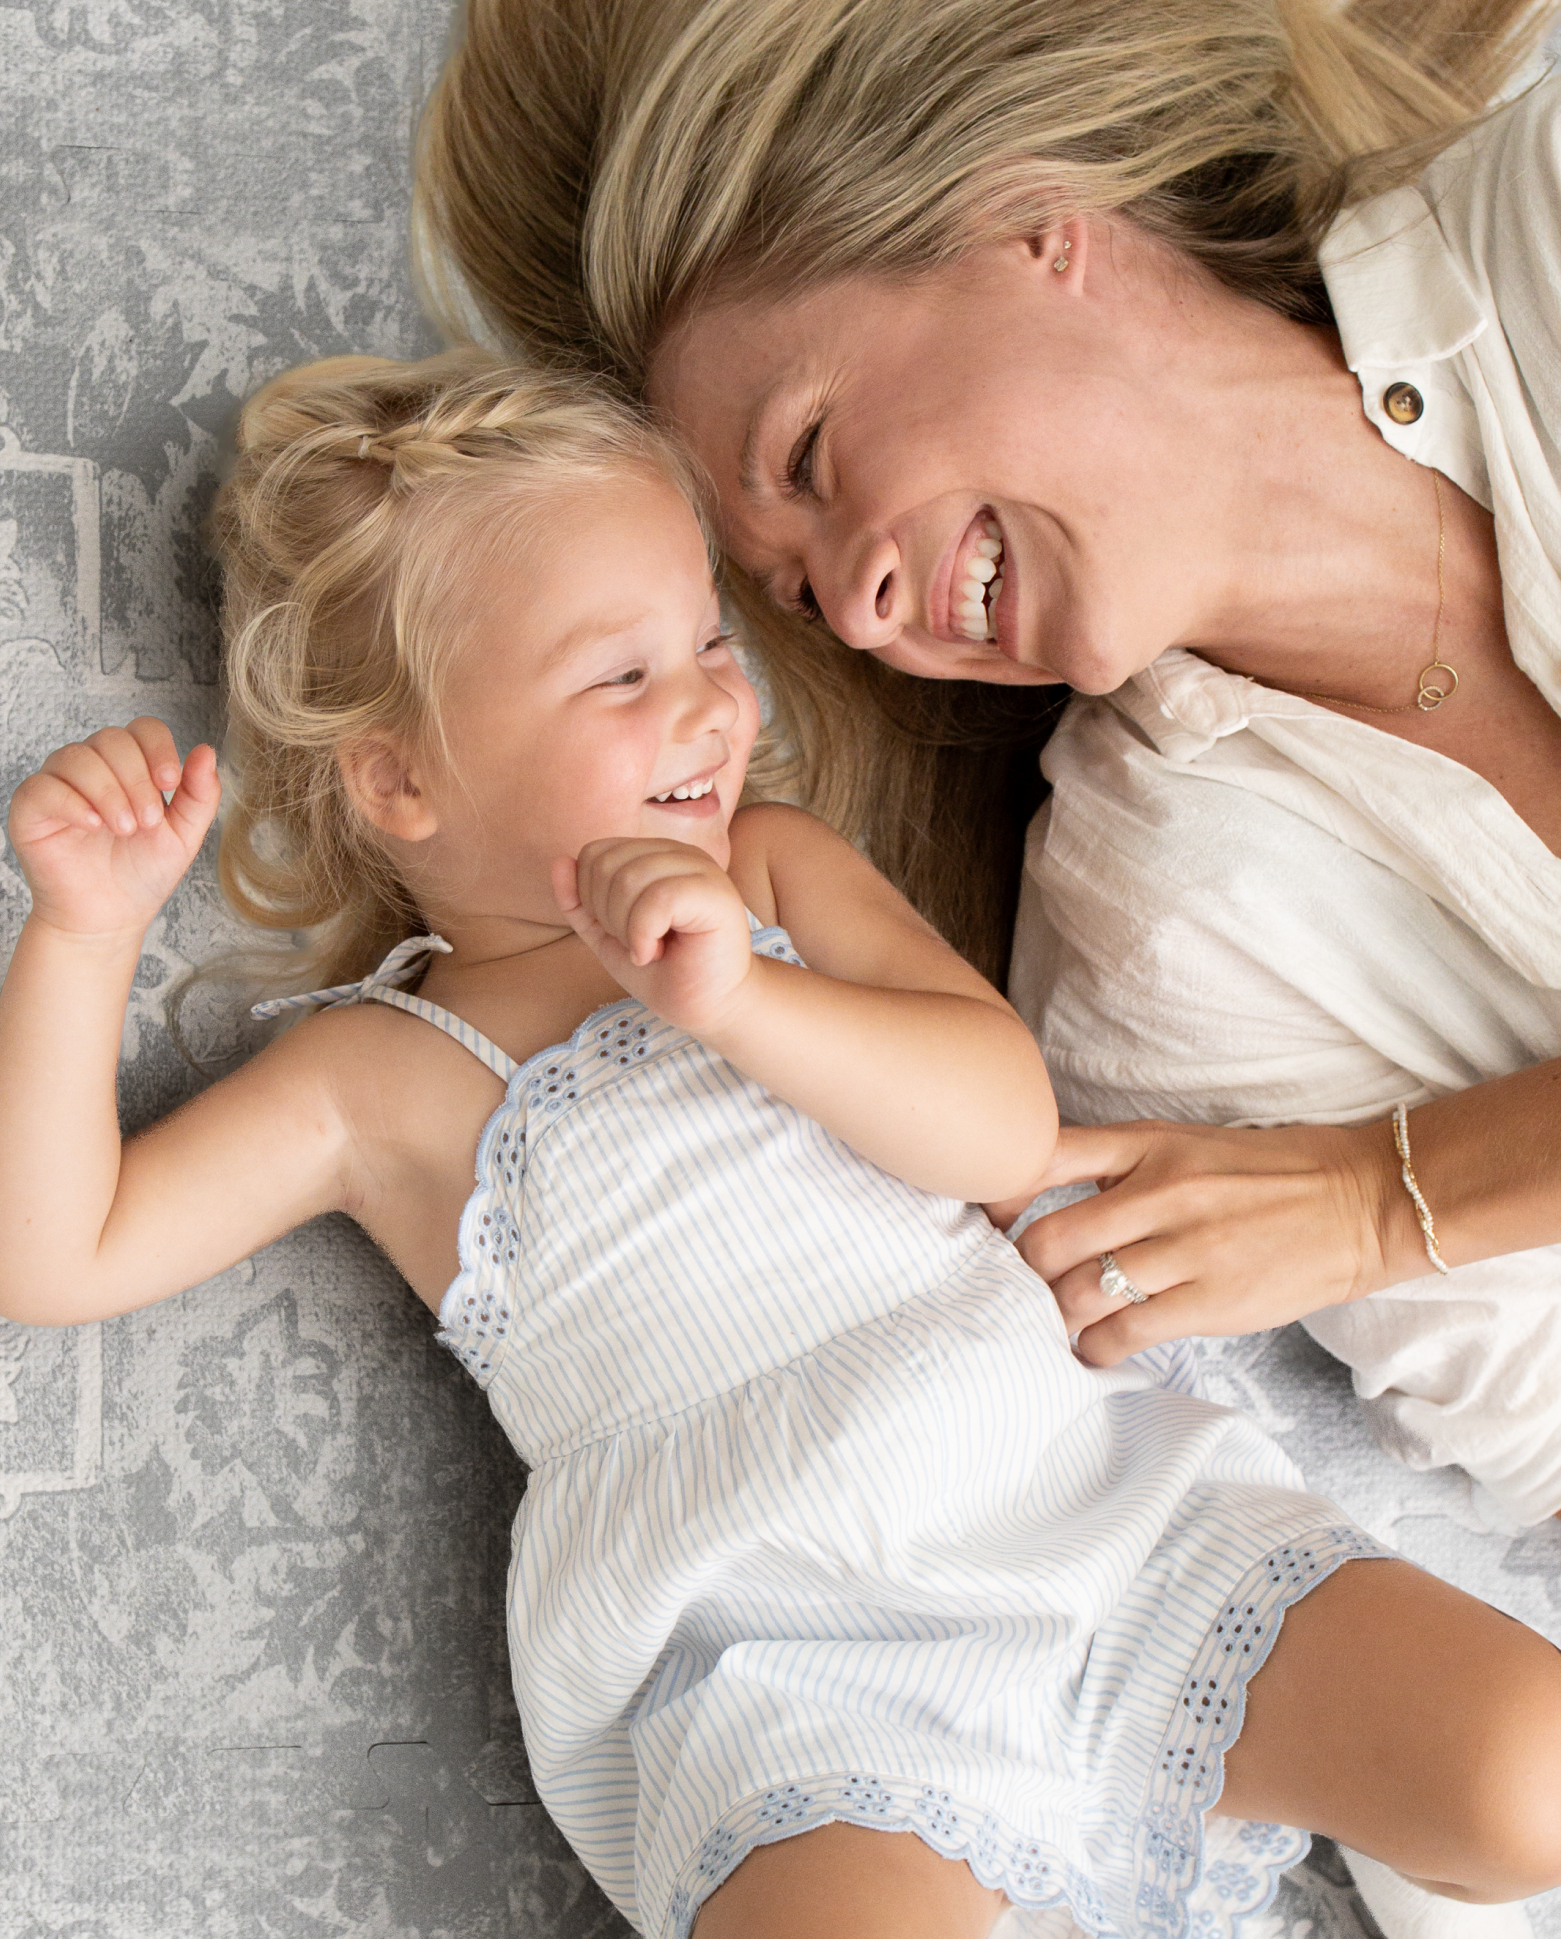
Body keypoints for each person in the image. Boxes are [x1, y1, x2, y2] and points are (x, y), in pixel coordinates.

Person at [0, 349, 1561, 1939]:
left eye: (711, 638)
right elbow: (45, 1257)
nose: (713, 704)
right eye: (622, 675)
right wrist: (83, 935)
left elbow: (1003, 1132)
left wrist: (744, 1000)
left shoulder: (777, 874)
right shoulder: (380, 1078)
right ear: (401, 780)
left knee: (1529, 1778)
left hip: (1077, 1502)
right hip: (784, 1646)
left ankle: (1389, 1836)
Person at [415, 0, 1561, 1531]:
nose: (861, 615)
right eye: (799, 596)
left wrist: (1386, 1195)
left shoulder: (1539, 226)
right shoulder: (1159, 934)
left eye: (810, 457)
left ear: (1024, 220)